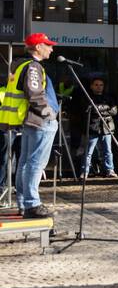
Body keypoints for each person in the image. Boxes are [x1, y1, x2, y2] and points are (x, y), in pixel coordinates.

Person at [2, 33, 61, 218]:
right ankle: (32, 204)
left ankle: (24, 203)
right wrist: (49, 113)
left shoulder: (21, 65)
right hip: (39, 121)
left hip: (29, 122)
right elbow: (35, 94)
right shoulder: (33, 67)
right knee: (35, 164)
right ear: (37, 47)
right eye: (48, 45)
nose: (51, 49)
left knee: (26, 163)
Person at [80, 75, 118, 178]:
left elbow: (114, 110)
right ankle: (85, 171)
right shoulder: (87, 97)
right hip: (93, 127)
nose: (99, 87)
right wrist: (105, 109)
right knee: (88, 152)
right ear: (91, 86)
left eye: (101, 85)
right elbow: (89, 109)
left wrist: (99, 108)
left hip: (107, 127)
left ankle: (110, 170)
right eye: (96, 85)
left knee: (108, 151)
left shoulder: (109, 97)